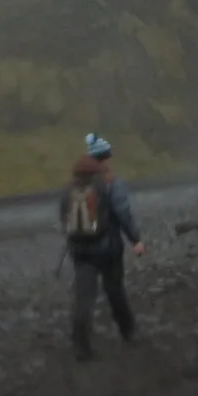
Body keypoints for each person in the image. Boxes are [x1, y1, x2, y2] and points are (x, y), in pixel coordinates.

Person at [58, 134, 143, 359]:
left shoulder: (70, 188)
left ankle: (80, 345)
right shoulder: (111, 184)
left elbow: (64, 219)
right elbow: (123, 214)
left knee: (84, 297)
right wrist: (135, 240)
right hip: (108, 250)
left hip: (81, 251)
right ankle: (129, 331)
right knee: (115, 290)